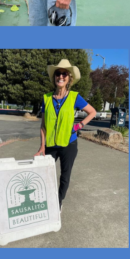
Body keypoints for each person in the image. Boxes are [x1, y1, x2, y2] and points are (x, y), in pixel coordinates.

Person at [33, 59, 97, 211]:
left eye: (64, 74)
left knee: (64, 176)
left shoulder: (75, 97)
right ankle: (45, 199)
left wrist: (79, 125)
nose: (60, 76)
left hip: (69, 144)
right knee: (45, 174)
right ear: (54, 77)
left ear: (69, 78)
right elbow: (43, 126)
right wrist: (42, 146)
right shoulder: (46, 98)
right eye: (58, 73)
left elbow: (92, 112)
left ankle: (58, 202)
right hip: (50, 145)